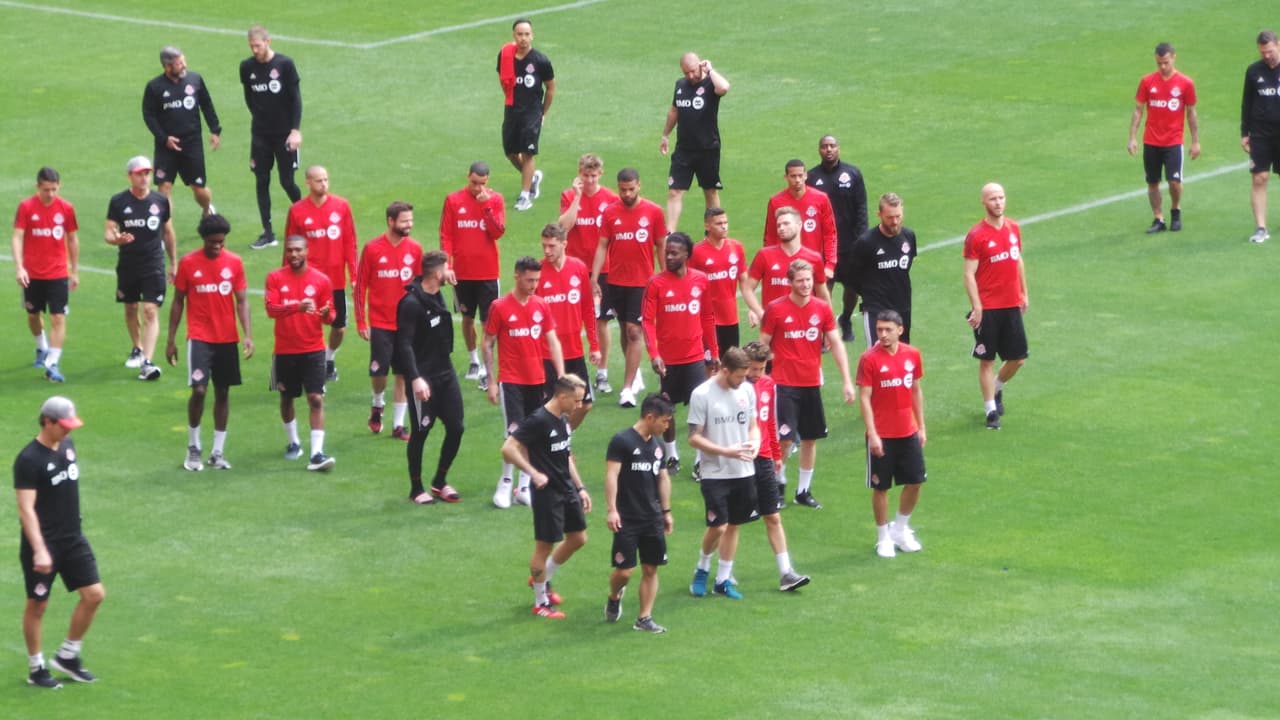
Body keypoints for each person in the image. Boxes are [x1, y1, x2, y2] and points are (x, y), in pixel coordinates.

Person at [14, 396, 105, 688]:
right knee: (38, 605)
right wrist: (40, 550)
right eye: (63, 426)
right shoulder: (29, 460)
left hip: (72, 538)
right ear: (47, 421)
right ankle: (36, 667)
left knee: (94, 595)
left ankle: (68, 655)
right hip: (43, 544)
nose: (69, 431)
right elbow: (26, 508)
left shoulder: (67, 446)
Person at [758, 259, 856, 508]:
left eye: (808, 280)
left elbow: (835, 344)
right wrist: (758, 379)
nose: (805, 284)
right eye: (800, 280)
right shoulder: (776, 309)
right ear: (790, 282)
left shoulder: (822, 309)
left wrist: (847, 380)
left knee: (811, 439)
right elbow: (762, 346)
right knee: (784, 439)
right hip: (783, 384)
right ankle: (778, 485)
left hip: (811, 383)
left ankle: (803, 490)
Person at [164, 214, 254, 472]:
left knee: (223, 392)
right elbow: (178, 301)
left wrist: (247, 335)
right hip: (200, 337)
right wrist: (171, 340)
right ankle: (193, 447)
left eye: (221, 242)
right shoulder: (189, 263)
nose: (217, 246)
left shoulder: (235, 263)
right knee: (199, 390)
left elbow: (242, 301)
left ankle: (217, 451)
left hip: (227, 338)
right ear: (204, 238)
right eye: (213, 242)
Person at [501, 375, 591, 620]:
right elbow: (508, 448)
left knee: (579, 538)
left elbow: (566, 455)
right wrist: (533, 473)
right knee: (544, 546)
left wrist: (581, 488)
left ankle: (542, 577)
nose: (579, 405)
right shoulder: (538, 420)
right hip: (547, 493)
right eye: (576, 400)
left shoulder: (562, 420)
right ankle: (541, 602)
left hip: (567, 488)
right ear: (562, 397)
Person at [485, 256, 564, 509]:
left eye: (537, 280)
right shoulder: (499, 307)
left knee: (534, 435)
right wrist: (491, 380)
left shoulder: (541, 305)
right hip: (511, 380)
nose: (534, 285)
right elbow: (487, 343)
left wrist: (561, 376)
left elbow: (552, 340)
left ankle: (524, 486)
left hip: (537, 379)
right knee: (514, 433)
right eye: (530, 280)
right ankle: (505, 483)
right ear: (517, 276)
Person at [641, 231, 719, 476]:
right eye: (667, 252)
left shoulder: (701, 281)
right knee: (667, 408)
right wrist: (654, 354)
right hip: (669, 359)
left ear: (687, 255)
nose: (669, 257)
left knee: (699, 408)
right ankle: (671, 454)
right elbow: (648, 322)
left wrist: (713, 351)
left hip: (694, 356)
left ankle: (699, 460)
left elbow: (707, 317)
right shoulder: (656, 284)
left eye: (675, 253)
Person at [590, 168, 667, 408]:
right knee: (624, 330)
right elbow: (602, 245)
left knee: (635, 332)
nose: (626, 194)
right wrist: (594, 278)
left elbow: (661, 245)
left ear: (639, 186)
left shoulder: (653, 212)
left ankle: (626, 390)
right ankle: (633, 376)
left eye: (631, 189)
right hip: (615, 282)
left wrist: (664, 277)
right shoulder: (611, 213)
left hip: (642, 283)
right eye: (623, 190)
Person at [686, 347, 759, 601]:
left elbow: (753, 426)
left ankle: (723, 579)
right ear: (724, 370)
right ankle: (702, 568)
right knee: (718, 526)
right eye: (739, 376)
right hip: (714, 471)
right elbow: (694, 437)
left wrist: (755, 443)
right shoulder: (702, 394)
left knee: (734, 525)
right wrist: (725, 451)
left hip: (743, 470)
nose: (743, 381)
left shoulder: (747, 390)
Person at [395, 250, 465, 505]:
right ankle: (416, 488)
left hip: (446, 374)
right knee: (422, 431)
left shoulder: (438, 296)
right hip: (424, 378)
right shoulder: (411, 304)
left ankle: (439, 481)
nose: (450, 271)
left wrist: (456, 288)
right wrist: (415, 378)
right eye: (447, 268)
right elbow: (404, 345)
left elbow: (462, 309)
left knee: (456, 428)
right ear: (437, 273)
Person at [856, 311, 927, 559]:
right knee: (881, 487)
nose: (883, 335)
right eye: (879, 330)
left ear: (900, 329)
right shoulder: (869, 359)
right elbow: (864, 398)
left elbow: (916, 390)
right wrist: (872, 434)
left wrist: (921, 426)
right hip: (882, 434)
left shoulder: (912, 354)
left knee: (916, 481)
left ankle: (900, 528)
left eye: (887, 329)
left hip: (908, 430)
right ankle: (882, 537)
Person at [742, 341, 811, 589]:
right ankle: (713, 571)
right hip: (737, 460)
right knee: (729, 523)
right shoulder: (732, 387)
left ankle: (786, 572)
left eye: (761, 369)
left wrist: (775, 455)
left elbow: (769, 420)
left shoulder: (768, 385)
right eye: (752, 368)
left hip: (762, 458)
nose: (756, 374)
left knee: (772, 516)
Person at [604, 394, 674, 633]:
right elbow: (611, 475)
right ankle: (614, 595)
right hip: (627, 518)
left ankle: (644, 618)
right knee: (624, 571)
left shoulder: (658, 446)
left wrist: (666, 511)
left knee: (651, 568)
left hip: (652, 517)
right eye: (664, 421)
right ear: (650, 416)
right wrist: (612, 510)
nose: (667, 426)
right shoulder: (622, 441)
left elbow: (662, 477)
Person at [265, 235, 336, 471]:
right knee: (286, 398)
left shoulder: (321, 280)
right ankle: (293, 442)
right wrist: (297, 306)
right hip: (284, 350)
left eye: (298, 250)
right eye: (290, 251)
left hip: (313, 349)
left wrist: (326, 313)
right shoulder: (275, 278)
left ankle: (317, 453)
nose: (293, 255)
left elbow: (331, 316)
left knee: (315, 398)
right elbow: (271, 309)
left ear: (307, 251)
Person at [963, 183, 1029, 431]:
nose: (998, 202)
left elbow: (1017, 259)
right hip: (988, 307)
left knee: (1018, 359)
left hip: (1011, 303)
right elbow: (969, 274)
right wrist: (976, 306)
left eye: (1001, 197)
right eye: (992, 199)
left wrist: (1023, 292)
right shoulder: (976, 235)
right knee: (986, 360)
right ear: (984, 202)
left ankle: (997, 387)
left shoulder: (1013, 228)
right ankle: (990, 409)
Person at [105, 155, 176, 382]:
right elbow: (109, 231)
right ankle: (136, 347)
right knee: (130, 308)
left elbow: (168, 232)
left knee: (150, 310)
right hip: (128, 263)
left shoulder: (161, 201)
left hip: (153, 262)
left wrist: (174, 262)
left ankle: (147, 360)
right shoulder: (118, 202)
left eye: (147, 173)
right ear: (130, 176)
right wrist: (117, 239)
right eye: (139, 174)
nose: (144, 178)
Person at [354, 201, 422, 439]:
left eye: (411, 220)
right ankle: (377, 402)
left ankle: (398, 426)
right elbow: (360, 285)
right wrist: (361, 322)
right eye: (404, 221)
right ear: (391, 221)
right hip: (381, 323)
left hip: (406, 324)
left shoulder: (415, 250)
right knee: (379, 373)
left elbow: (420, 288)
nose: (409, 225)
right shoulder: (372, 249)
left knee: (403, 373)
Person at [284, 165, 357, 382]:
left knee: (339, 328)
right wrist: (286, 276)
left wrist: (354, 275)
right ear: (308, 182)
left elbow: (350, 243)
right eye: (319, 180)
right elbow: (290, 246)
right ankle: (312, 366)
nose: (324, 184)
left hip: (335, 282)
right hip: (308, 281)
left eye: (326, 179)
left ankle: (329, 357)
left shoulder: (341, 207)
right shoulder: (297, 210)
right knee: (308, 326)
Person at [440, 161, 506, 389]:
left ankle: (489, 372)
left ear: (488, 181)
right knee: (467, 319)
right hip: (462, 273)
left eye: (482, 184)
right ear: (467, 176)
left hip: (488, 273)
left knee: (489, 323)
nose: (478, 188)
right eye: (474, 183)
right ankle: (473, 361)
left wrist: (486, 206)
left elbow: (497, 232)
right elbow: (446, 235)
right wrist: (446, 266)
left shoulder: (495, 200)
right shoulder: (453, 200)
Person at [557, 153, 618, 393]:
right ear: (579, 173)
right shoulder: (569, 195)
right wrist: (577, 198)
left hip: (603, 269)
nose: (590, 180)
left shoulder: (611, 199)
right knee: (569, 319)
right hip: (573, 268)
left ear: (600, 174)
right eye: (586, 175)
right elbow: (563, 227)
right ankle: (566, 372)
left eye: (593, 176)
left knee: (601, 320)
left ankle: (602, 372)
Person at [12, 167, 79, 383]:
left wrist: (74, 271)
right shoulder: (26, 207)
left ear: (59, 186)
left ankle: (52, 363)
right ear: (37, 187)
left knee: (58, 317)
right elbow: (17, 237)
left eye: (54, 189)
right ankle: (41, 348)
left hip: (58, 273)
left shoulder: (66, 208)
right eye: (46, 189)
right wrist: (19, 267)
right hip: (32, 274)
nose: (50, 194)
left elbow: (72, 239)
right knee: (33, 315)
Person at [1126, 42, 1200, 234]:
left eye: (1166, 62)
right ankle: (1158, 218)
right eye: (1159, 63)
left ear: (1174, 57)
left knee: (1174, 182)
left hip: (1173, 141)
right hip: (1151, 141)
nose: (1163, 67)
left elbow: (1191, 113)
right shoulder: (1147, 82)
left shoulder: (1185, 83)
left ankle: (1175, 210)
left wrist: (1195, 141)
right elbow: (1138, 110)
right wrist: (1132, 137)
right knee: (1152, 182)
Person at [241, 25, 303, 250]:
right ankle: (268, 233)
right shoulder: (246, 67)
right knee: (261, 180)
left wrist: (295, 130)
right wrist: (260, 120)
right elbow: (249, 97)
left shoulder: (285, 65)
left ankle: (306, 221)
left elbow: (295, 99)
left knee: (287, 181)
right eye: (251, 46)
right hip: (260, 136)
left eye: (258, 45)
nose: (255, 50)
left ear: (268, 41)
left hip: (285, 135)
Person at [142, 45, 221, 217]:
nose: (184, 65)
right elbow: (148, 115)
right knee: (164, 188)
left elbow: (206, 105)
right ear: (167, 67)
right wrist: (164, 139)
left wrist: (215, 130)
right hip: (166, 146)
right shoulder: (154, 87)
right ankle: (163, 231)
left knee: (199, 189)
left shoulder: (195, 80)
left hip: (192, 144)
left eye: (183, 61)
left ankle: (207, 209)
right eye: (179, 63)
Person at [537, 223, 600, 429]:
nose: (547, 251)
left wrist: (595, 345)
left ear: (564, 244)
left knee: (585, 404)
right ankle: (553, 443)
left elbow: (587, 308)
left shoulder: (578, 268)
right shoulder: (538, 273)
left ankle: (564, 436)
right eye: (544, 245)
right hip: (547, 354)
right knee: (552, 406)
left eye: (552, 246)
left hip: (574, 351)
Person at [660, 53, 730, 232]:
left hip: (708, 148)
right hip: (684, 149)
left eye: (692, 71)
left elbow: (724, 87)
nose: (690, 76)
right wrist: (665, 135)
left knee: (710, 190)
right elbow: (674, 111)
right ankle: (670, 233)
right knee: (675, 191)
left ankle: (712, 230)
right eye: (686, 73)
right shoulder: (680, 85)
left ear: (700, 65)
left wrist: (711, 70)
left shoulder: (710, 84)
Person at [807, 135, 868, 340]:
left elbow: (861, 208)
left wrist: (862, 239)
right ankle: (826, 333)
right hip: (824, 246)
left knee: (852, 288)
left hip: (850, 244)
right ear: (819, 151)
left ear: (838, 149)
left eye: (832, 146)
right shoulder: (812, 178)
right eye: (824, 146)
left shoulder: (852, 174)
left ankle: (846, 318)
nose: (829, 150)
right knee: (824, 289)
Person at [497, 18, 555, 212]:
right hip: (512, 110)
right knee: (511, 152)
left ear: (532, 35)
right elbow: (503, 80)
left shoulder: (540, 60)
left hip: (531, 112)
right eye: (519, 34)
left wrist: (542, 113)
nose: (523, 38)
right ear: (514, 36)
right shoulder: (505, 56)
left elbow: (551, 88)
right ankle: (533, 177)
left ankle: (525, 196)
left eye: (527, 34)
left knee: (527, 152)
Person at [849, 193, 917, 345]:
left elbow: (905, 267)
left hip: (903, 306)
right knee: (877, 355)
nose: (894, 222)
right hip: (876, 308)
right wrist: (871, 294)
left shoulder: (909, 236)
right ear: (879, 214)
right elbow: (852, 278)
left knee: (901, 353)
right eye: (889, 217)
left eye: (898, 216)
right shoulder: (866, 243)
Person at [743, 206, 827, 327]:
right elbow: (747, 289)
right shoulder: (764, 255)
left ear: (799, 225)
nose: (781, 228)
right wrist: (760, 313)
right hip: (774, 327)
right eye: (779, 225)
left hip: (806, 325)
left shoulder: (814, 258)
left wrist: (829, 327)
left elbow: (822, 294)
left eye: (786, 223)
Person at [763, 159, 837, 283]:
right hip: (784, 266)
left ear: (806, 175)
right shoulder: (776, 202)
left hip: (812, 265)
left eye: (800, 176)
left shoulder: (821, 199)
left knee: (819, 301)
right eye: (793, 176)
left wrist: (830, 265)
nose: (797, 180)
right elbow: (770, 236)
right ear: (786, 177)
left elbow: (830, 234)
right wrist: (769, 263)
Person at [690, 207, 747, 353]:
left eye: (726, 222)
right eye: (719, 223)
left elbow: (745, 283)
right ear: (707, 226)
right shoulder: (696, 252)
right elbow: (688, 285)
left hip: (730, 317)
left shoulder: (736, 247)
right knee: (711, 364)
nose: (724, 226)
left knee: (731, 362)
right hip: (707, 319)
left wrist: (753, 309)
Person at [1242, 30, 1280, 243]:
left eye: (1270, 51)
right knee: (1259, 178)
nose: (1267, 55)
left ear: (1279, 45)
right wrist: (1244, 133)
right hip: (1261, 134)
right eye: (1263, 52)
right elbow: (1247, 103)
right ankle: (1261, 227)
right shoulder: (1254, 71)